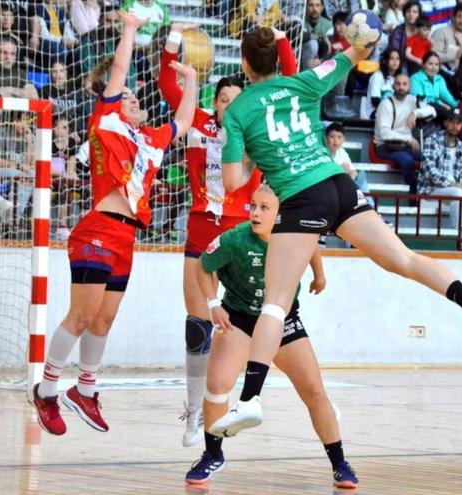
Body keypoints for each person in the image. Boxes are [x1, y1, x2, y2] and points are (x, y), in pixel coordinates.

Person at [210, 26, 462, 440]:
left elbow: (231, 181)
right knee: (403, 258)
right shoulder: (304, 81)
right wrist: (363, 32)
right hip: (339, 184)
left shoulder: (239, 109)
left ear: (243, 64)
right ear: (277, 60)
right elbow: (360, 50)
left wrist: (245, 151)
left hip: (301, 196)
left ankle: (250, 400)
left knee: (275, 303)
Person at [29, 12, 199, 436]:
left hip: (126, 236)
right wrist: (129, 30)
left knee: (103, 321)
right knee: (82, 316)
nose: (134, 98)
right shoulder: (105, 123)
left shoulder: (151, 140)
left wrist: (191, 80)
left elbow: (183, 120)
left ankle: (85, 389)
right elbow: (120, 70)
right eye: (126, 96)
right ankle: (47, 389)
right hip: (98, 228)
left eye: (136, 97)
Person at [158, 23, 297, 447]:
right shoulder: (198, 124)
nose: (228, 104)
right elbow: (168, 81)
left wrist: (281, 40)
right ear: (214, 104)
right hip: (202, 224)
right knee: (198, 323)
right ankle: (193, 407)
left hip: (241, 231)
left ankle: (247, 393)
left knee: (248, 320)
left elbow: (289, 82)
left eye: (235, 99)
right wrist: (174, 39)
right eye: (222, 99)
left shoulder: (253, 129)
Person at [187, 186, 358, 488]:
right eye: (253, 206)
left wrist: (320, 275)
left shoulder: (293, 236)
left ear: (281, 214)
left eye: (265, 208)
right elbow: (203, 266)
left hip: (282, 321)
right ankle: (212, 455)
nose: (255, 212)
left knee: (315, 392)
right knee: (216, 387)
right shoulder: (234, 239)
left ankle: (339, 462)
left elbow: (312, 247)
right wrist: (213, 304)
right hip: (240, 319)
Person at [374, 73, 428, 196]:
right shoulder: (386, 104)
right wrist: (408, 139)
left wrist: (415, 112)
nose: (401, 87)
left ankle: (427, 190)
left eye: (405, 84)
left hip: (405, 146)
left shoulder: (412, 101)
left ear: (409, 86)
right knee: (406, 160)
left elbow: (432, 111)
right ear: (393, 86)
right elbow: (384, 134)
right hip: (385, 146)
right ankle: (413, 190)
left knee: (429, 156)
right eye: (398, 84)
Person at [418, 108, 462, 229]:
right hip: (432, 189)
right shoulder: (432, 140)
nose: (455, 126)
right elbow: (429, 171)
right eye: (452, 122)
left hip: (455, 190)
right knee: (458, 193)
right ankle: (459, 235)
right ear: (445, 123)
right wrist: (451, 184)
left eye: (458, 123)